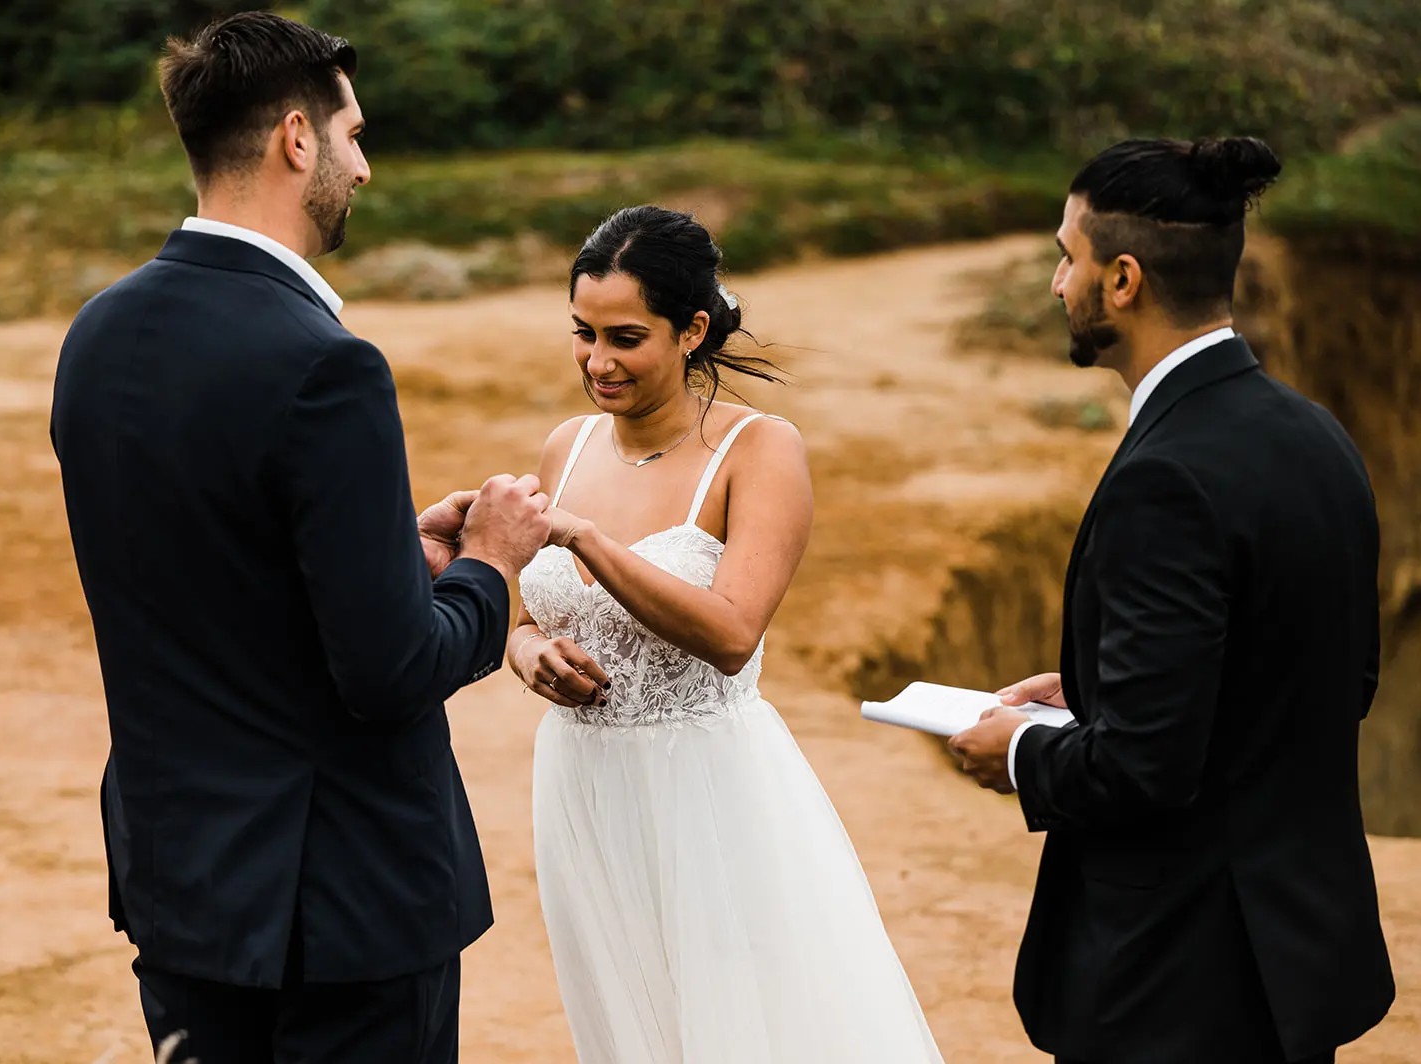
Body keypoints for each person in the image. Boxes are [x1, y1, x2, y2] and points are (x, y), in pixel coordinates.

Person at [50, 13, 549, 1062]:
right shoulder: (326, 362)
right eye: (354, 136)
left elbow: (209, 573)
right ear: (294, 139)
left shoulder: (96, 335)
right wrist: (491, 564)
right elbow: (390, 670)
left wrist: (391, 558)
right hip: (338, 908)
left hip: (182, 881)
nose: (363, 168)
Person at [949, 137, 1394, 1064]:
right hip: (1290, 962)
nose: (1053, 284)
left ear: (1122, 279)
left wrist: (1024, 751)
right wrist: (1104, 697)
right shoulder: (1316, 437)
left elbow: (1146, 772)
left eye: (1065, 257)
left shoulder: (1167, 477)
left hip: (1178, 984)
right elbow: (1330, 679)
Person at [514, 205, 944, 1063]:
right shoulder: (567, 445)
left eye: (626, 337)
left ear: (692, 329)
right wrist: (528, 654)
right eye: (583, 333)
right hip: (581, 785)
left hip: (707, 792)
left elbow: (733, 632)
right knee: (626, 1021)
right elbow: (527, 614)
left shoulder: (758, 449)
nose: (598, 361)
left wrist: (588, 538)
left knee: (744, 1027)